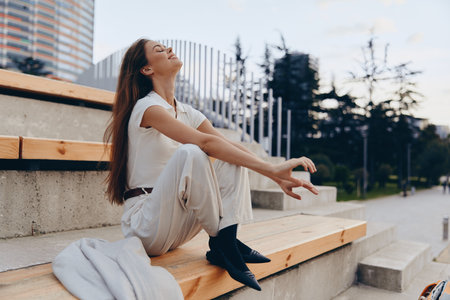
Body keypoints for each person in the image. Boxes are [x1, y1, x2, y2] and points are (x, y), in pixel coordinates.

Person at [103, 38, 319, 291]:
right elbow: (204, 143)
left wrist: (275, 174)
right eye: (160, 50)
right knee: (191, 153)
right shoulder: (147, 107)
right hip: (146, 226)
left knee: (230, 158)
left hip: (178, 224)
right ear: (146, 69)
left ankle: (223, 243)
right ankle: (226, 246)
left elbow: (229, 146)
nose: (169, 49)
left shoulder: (186, 112)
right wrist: (269, 169)